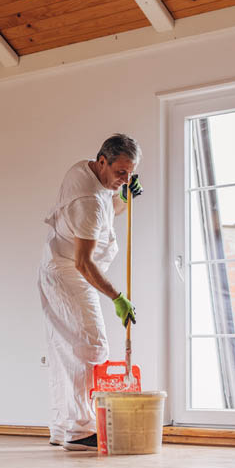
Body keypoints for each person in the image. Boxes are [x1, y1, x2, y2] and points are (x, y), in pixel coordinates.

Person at [38, 134, 142, 450]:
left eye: (131, 173)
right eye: (121, 172)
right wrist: (117, 297)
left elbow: (109, 211)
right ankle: (80, 431)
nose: (126, 179)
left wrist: (123, 198)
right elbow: (84, 263)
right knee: (91, 348)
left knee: (66, 350)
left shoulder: (84, 172)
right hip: (69, 272)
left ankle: (64, 428)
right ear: (102, 162)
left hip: (59, 264)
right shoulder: (87, 203)